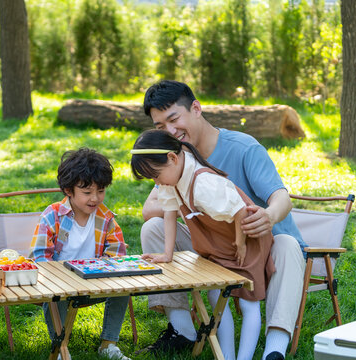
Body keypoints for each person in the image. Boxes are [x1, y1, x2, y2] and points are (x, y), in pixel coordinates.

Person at [138, 80, 307, 360]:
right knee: (153, 228)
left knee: (288, 243)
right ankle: (183, 330)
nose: (170, 131)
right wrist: (195, 207)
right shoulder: (175, 158)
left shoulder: (243, 148)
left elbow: (282, 199)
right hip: (216, 246)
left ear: (196, 108)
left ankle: (274, 348)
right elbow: (150, 208)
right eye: (160, 127)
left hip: (263, 244)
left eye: (173, 119)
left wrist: (267, 216)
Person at [131, 129, 276, 359]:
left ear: (172, 158)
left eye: (155, 175)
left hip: (246, 240)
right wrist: (167, 254)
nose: (155, 182)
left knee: (249, 303)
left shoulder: (203, 183)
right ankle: (226, 356)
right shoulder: (172, 181)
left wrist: (240, 244)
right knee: (216, 297)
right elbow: (169, 213)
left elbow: (239, 212)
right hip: (217, 244)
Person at [29, 148, 130, 360]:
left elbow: (117, 253)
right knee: (55, 295)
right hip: (61, 284)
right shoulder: (53, 215)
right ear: (68, 190)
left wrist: (104, 267)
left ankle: (108, 344)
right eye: (87, 192)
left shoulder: (106, 218)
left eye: (100, 191)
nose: (95, 198)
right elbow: (40, 259)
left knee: (123, 286)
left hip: (95, 282)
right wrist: (63, 278)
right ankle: (60, 346)